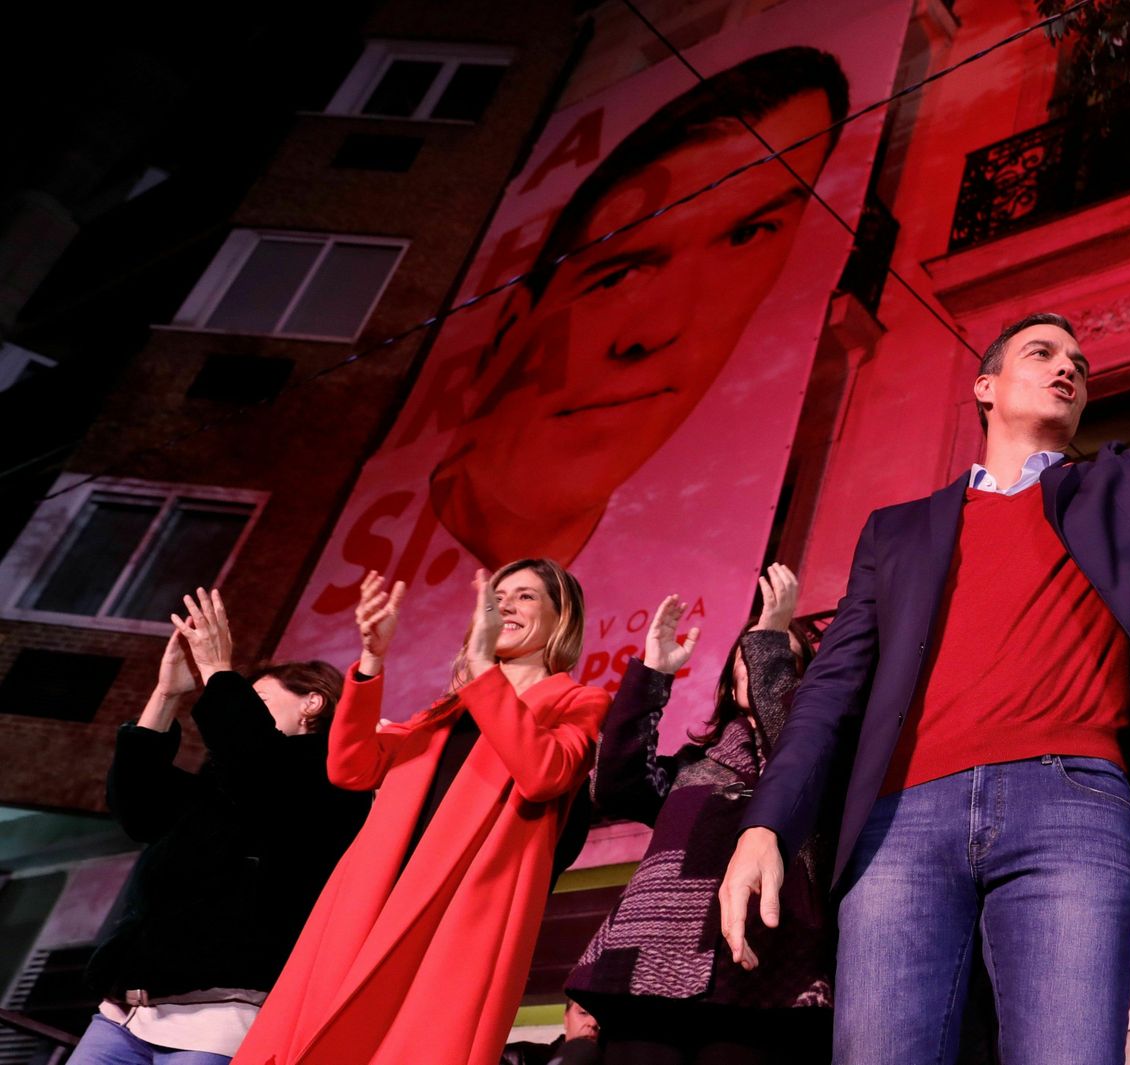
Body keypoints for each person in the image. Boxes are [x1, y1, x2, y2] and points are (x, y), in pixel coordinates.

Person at [719, 84, 1130, 1065]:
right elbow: (830, 695)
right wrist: (768, 824)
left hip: (1070, 811)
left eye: (1080, 364)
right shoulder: (901, 532)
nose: (1067, 368)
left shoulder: (1124, 490)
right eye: (1042, 352)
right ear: (985, 385)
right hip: (899, 826)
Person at [428, 47, 850, 567]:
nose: (658, 330)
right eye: (619, 274)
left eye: (747, 234)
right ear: (510, 326)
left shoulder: (676, 561)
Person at [231, 560, 611, 1065]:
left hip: (460, 913)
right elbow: (352, 768)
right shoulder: (444, 712)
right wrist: (372, 658)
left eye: (525, 596)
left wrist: (481, 668)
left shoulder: (576, 702)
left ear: (561, 618)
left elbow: (544, 772)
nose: (504, 605)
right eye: (496, 596)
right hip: (376, 900)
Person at [71, 589, 369, 1065]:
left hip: (222, 1020)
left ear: (312, 703)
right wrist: (167, 693)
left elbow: (260, 772)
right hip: (124, 1015)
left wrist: (218, 671)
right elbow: (137, 808)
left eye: (256, 699)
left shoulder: (331, 781)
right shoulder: (219, 787)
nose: (236, 708)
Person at [567, 563, 831, 1064]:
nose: (758, 661)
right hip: (649, 965)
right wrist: (653, 676)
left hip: (762, 973)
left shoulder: (817, 762)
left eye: (776, 654)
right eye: (748, 655)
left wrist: (771, 638)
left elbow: (793, 745)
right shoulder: (695, 767)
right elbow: (617, 786)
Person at [500, 999, 601, 1065]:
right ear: (566, 1018)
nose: (592, 1023)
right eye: (583, 1013)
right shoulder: (518, 1058)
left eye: (602, 1016)